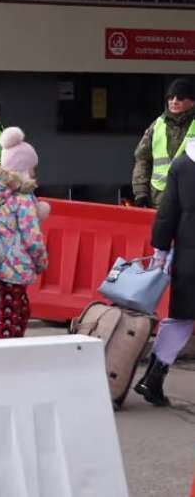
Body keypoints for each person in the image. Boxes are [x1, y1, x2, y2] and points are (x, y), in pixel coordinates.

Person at [135, 137, 195, 406]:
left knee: (181, 319)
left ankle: (153, 377)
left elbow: (167, 212)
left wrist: (160, 249)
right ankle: (152, 379)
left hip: (189, 256)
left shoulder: (182, 164)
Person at [0, 128, 49, 338]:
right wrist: (41, 261)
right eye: (32, 168)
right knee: (13, 318)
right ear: (23, 168)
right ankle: (6, 358)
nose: (34, 172)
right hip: (15, 268)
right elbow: (32, 238)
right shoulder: (21, 198)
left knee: (10, 311)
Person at [133, 78, 195, 209]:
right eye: (171, 97)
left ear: (192, 102)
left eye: (180, 98)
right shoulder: (157, 126)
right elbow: (142, 160)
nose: (174, 101)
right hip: (160, 201)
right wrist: (141, 194)